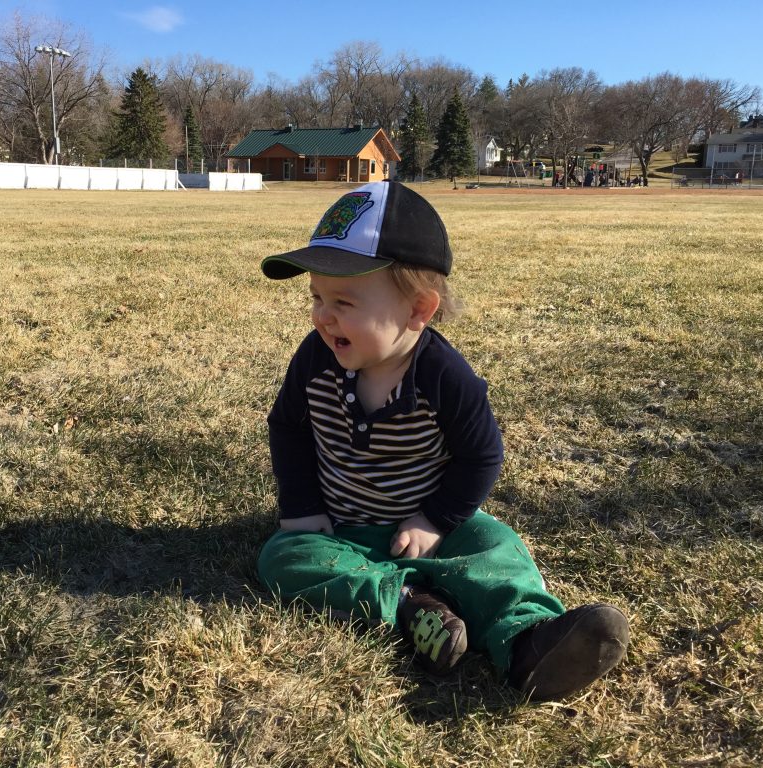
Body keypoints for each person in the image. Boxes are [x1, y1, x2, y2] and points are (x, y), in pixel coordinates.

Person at [256, 181, 630, 701]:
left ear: (418, 310)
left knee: (496, 548)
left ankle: (528, 644)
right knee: (283, 558)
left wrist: (433, 519)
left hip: (429, 525)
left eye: (343, 301)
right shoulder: (314, 360)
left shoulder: (443, 376)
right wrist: (301, 508)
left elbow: (482, 454)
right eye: (316, 297)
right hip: (339, 529)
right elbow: (288, 428)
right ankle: (410, 606)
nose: (323, 316)